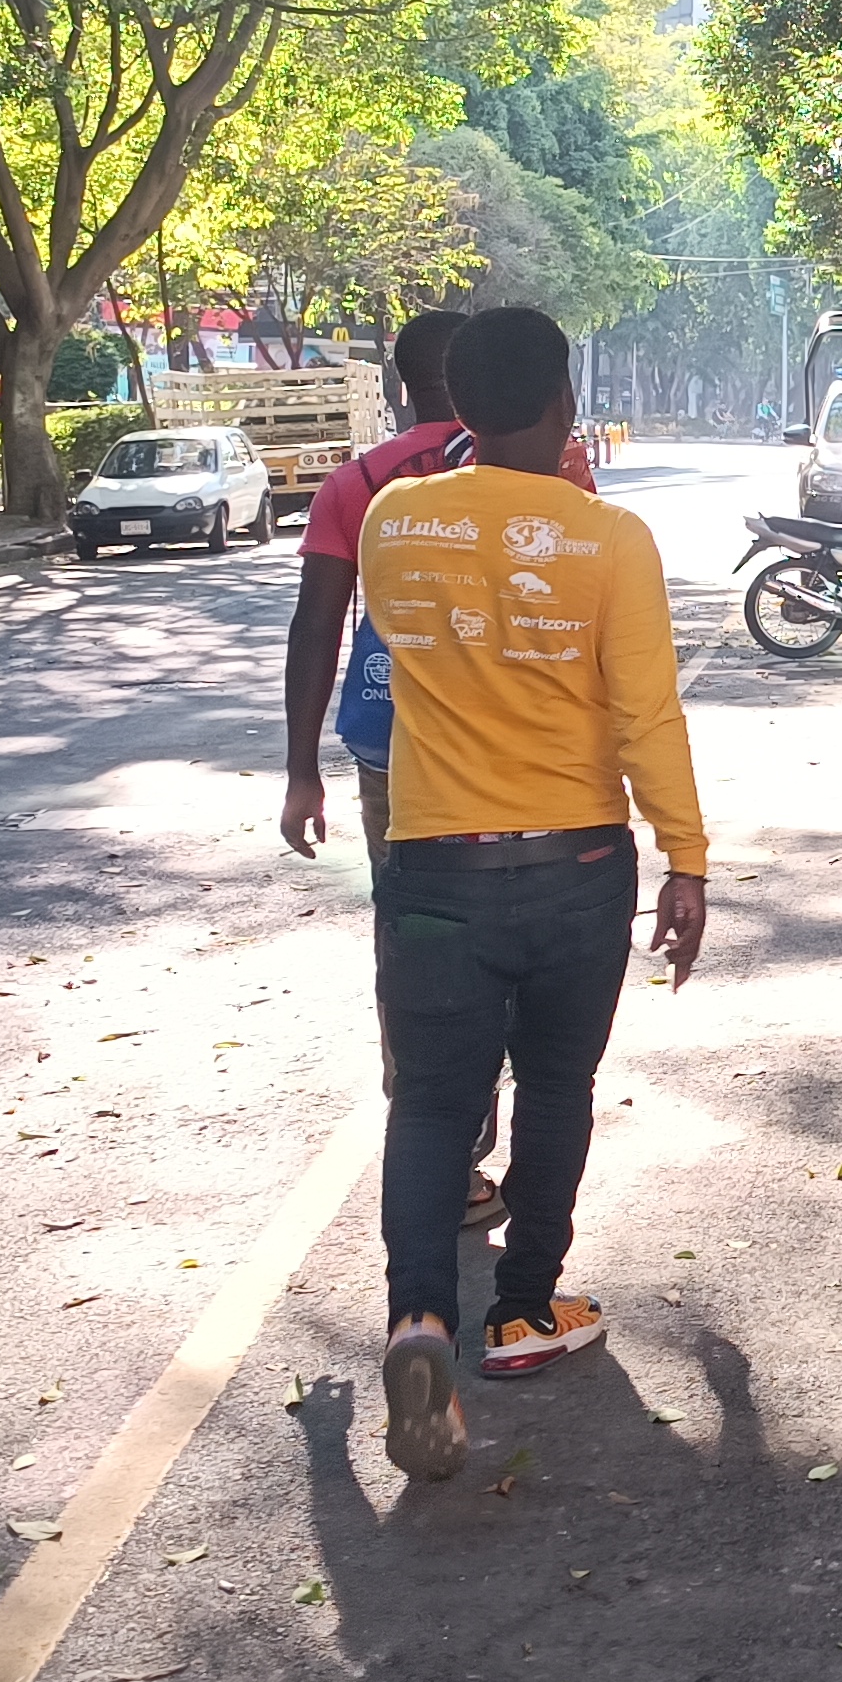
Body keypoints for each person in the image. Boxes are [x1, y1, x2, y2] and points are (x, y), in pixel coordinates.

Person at [363, 305, 709, 1481]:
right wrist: (688, 856)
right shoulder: (611, 539)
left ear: (456, 407)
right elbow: (643, 712)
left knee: (427, 1109)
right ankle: (522, 1312)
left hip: (433, 867)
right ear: (564, 405)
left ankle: (420, 1324)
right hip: (575, 867)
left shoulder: (393, 520)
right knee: (560, 1081)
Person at [280, 312, 504, 1226]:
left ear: (402, 377)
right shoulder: (529, 464)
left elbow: (317, 625)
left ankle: (436, 1149)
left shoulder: (355, 484)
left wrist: (301, 771)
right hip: (509, 746)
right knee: (515, 930)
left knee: (413, 938)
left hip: (394, 756)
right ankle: (497, 1133)